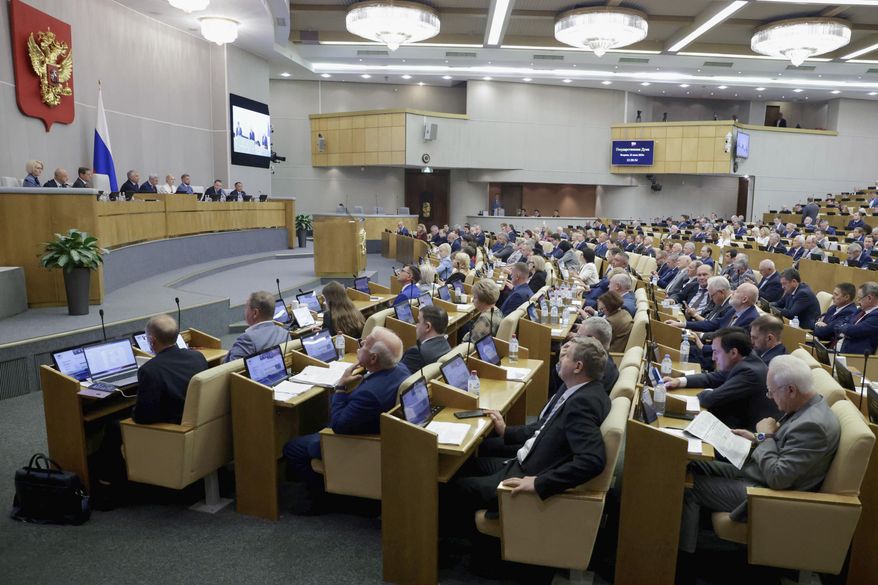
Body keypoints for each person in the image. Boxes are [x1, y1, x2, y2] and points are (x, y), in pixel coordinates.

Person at [677, 355, 840, 577]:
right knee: (692, 464)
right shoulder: (807, 404)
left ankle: (683, 563)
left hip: (767, 494)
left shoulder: (814, 426)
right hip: (757, 471)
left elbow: (778, 477)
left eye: (772, 392)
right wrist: (757, 437)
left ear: (791, 389)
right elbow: (783, 445)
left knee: (690, 486)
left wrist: (765, 438)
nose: (770, 398)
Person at [449, 336, 610, 519]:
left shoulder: (582, 403)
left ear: (578, 367)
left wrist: (539, 483)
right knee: (466, 465)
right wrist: (507, 431)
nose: (561, 358)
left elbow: (592, 460)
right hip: (523, 461)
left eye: (566, 357)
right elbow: (545, 429)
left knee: (455, 487)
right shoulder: (586, 391)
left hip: (526, 475)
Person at [283, 327, 409, 514]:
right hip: (372, 429)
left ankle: (323, 499)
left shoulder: (369, 394)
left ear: (373, 359)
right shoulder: (400, 369)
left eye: (365, 343)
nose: (361, 343)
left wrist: (341, 387)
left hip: (357, 442)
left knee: (292, 447)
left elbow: (338, 426)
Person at [663, 328, 779, 430]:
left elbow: (710, 399)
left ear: (733, 352)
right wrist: (680, 381)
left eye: (716, 352)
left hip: (747, 434)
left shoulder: (750, 372)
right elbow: (715, 377)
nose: (713, 357)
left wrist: (707, 392)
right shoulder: (745, 358)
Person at [224, 291, 291, 362]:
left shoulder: (247, 339)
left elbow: (231, 368)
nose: (245, 311)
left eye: (247, 307)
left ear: (255, 313)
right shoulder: (285, 334)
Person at [402, 305, 452, 373]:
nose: (416, 325)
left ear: (428, 327)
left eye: (418, 321)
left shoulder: (416, 353)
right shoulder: (445, 344)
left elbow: (399, 377)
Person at [835, 281, 878, 354]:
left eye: (859, 298)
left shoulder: (876, 316)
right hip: (840, 350)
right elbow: (840, 323)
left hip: (855, 357)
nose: (857, 301)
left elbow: (853, 330)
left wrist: (845, 328)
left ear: (869, 298)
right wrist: (845, 328)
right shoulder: (860, 310)